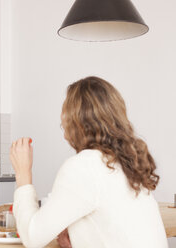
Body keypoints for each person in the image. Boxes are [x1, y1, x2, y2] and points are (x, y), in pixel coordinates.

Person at [10, 76, 167, 248]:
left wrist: (23, 173)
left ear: (75, 121)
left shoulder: (84, 166)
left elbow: (33, 238)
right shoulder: (127, 162)